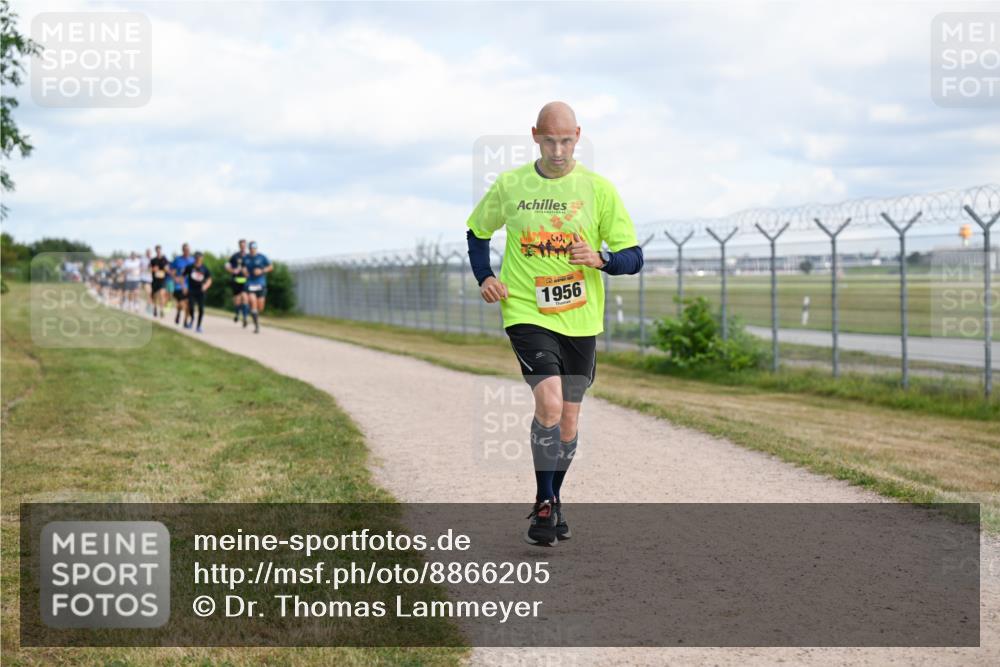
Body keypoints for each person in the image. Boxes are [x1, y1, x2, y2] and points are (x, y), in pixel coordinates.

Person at [465, 102, 643, 546]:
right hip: (526, 309)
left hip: (581, 319)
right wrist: (485, 275)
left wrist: (600, 259)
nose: (558, 150)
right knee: (548, 401)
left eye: (566, 140)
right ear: (534, 136)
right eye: (549, 140)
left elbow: (634, 258)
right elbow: (477, 232)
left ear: (578, 136)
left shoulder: (599, 190)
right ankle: (544, 504)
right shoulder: (510, 185)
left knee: (567, 420)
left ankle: (552, 499)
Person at [243, 241, 272, 334]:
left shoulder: (262, 257)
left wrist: (262, 270)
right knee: (253, 301)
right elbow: (243, 267)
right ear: (249, 249)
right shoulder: (246, 258)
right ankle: (257, 326)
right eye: (251, 248)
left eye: (254, 248)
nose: (252, 250)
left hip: (260, 284)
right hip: (250, 283)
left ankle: (252, 313)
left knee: (261, 306)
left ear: (256, 248)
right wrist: (244, 272)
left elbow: (271, 267)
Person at [184, 252, 213, 333]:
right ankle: (192, 319)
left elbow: (209, 280)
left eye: (200, 258)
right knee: (191, 307)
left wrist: (206, 286)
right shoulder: (189, 267)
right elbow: (183, 277)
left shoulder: (205, 269)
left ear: (202, 259)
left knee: (201, 308)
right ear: (194, 258)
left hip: (201, 291)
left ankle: (199, 326)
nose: (198, 259)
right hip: (191, 290)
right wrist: (184, 287)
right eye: (197, 258)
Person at [169, 243, 195, 328]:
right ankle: (178, 313)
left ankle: (185, 322)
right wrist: (175, 278)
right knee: (181, 303)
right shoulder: (178, 260)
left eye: (188, 250)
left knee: (188, 304)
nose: (187, 251)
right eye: (185, 250)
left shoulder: (193, 260)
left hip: (190, 286)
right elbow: (171, 270)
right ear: (183, 250)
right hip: (179, 286)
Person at [225, 239, 250, 327]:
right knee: (237, 300)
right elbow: (227, 265)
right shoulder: (235, 256)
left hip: (245, 281)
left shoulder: (249, 256)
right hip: (236, 280)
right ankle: (237, 314)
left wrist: (247, 273)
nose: (243, 247)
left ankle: (245, 318)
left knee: (245, 297)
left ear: (246, 246)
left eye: (244, 245)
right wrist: (232, 270)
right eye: (241, 245)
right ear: (239, 246)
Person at [149, 245, 170, 318]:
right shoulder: (153, 260)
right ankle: (155, 308)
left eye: (159, 250)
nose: (158, 251)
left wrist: (165, 269)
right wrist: (153, 269)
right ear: (155, 251)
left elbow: (168, 269)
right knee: (154, 296)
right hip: (155, 280)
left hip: (162, 280)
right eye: (157, 250)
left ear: (161, 250)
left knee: (161, 294)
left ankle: (162, 310)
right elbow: (149, 269)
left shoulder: (165, 259)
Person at [140, 249, 153, 313]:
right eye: (148, 252)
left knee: (151, 293)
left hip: (152, 279)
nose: (149, 254)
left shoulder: (153, 259)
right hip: (145, 278)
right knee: (148, 292)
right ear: (146, 253)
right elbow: (140, 267)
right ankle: (149, 307)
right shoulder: (143, 259)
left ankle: (149, 305)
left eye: (150, 253)